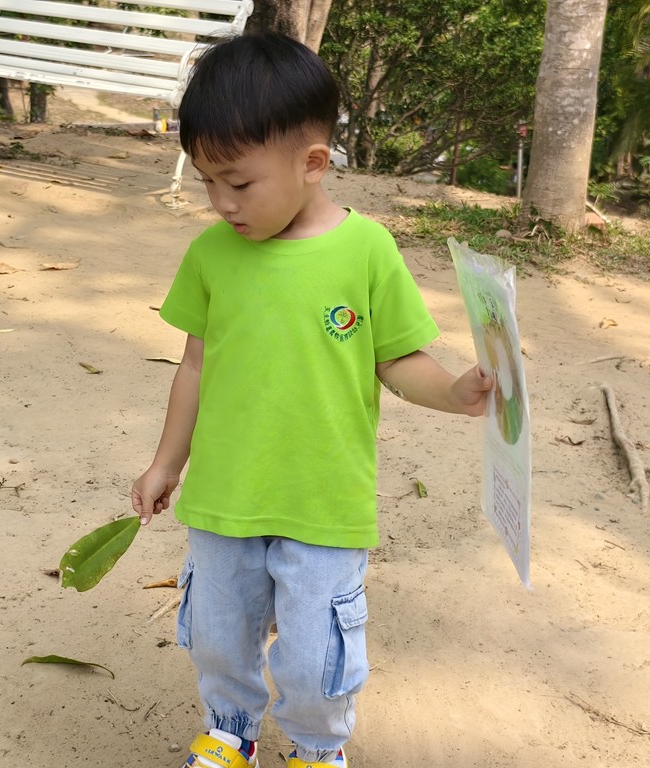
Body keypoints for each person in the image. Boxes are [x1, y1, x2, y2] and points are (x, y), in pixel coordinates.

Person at [131, 32, 493, 768]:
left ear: (313, 163)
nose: (221, 203)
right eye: (207, 181)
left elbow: (397, 360)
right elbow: (195, 365)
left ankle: (316, 749)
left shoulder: (366, 251)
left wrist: (456, 392)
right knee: (217, 633)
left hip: (324, 501)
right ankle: (229, 729)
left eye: (239, 183)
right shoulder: (211, 254)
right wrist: (167, 462)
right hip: (226, 496)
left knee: (316, 652)